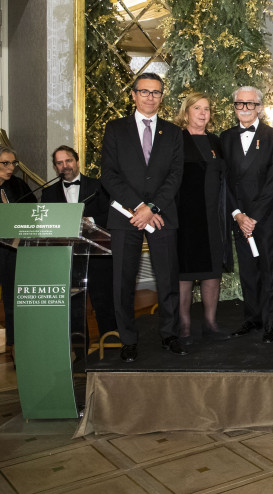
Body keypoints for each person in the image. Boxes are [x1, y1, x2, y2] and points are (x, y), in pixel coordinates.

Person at [100, 73, 185, 362]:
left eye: (156, 92)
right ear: (133, 95)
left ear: (163, 97)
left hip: (161, 216)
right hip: (126, 216)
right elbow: (108, 175)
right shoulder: (115, 129)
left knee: (168, 278)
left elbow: (175, 176)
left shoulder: (173, 133)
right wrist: (138, 206)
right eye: (144, 92)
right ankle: (128, 340)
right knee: (122, 280)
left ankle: (170, 334)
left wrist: (153, 208)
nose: (150, 97)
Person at [221, 86, 273, 343]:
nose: (244, 109)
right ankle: (252, 318)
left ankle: (270, 323)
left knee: (269, 270)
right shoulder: (225, 138)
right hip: (239, 216)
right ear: (234, 107)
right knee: (247, 271)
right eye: (239, 104)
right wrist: (238, 214)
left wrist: (253, 217)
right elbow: (224, 180)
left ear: (259, 107)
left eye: (249, 104)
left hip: (265, 217)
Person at [40, 145, 115, 339]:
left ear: (77, 161)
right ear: (56, 167)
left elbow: (111, 214)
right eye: (59, 163)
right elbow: (46, 226)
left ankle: (112, 346)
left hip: (98, 257)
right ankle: (80, 352)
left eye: (68, 161)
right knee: (74, 307)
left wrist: (92, 221)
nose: (65, 166)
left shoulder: (99, 186)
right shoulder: (48, 194)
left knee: (104, 303)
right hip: (67, 259)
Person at [173, 93, 230, 343]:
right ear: (186, 112)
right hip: (184, 220)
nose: (202, 113)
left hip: (213, 218)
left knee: (211, 273)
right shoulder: (176, 140)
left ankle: (210, 323)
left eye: (206, 108)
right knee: (184, 276)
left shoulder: (216, 142)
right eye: (197, 108)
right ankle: (184, 326)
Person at [0, 146, 36, 357]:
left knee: (13, 297)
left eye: (13, 163)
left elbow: (33, 211)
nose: (10, 167)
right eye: (5, 163)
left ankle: (14, 344)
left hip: (12, 249)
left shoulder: (18, 185)